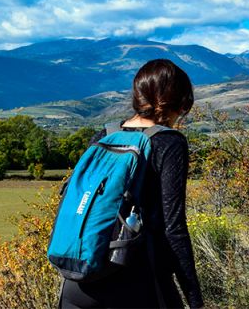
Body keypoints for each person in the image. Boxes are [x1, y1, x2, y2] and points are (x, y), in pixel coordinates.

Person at [60, 59, 204, 309]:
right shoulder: (169, 143)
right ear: (180, 102)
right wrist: (194, 298)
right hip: (137, 281)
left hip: (79, 280)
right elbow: (174, 228)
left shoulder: (104, 136)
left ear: (137, 97)